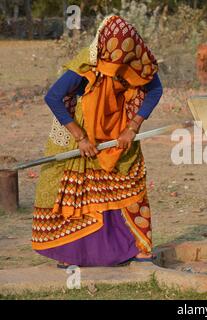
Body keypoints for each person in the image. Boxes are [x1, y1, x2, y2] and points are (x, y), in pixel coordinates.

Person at [31, 15, 163, 268]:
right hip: (81, 131)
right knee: (83, 193)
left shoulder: (139, 60)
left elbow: (154, 90)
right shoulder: (85, 63)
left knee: (128, 184)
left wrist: (133, 127)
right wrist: (80, 137)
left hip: (121, 130)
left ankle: (135, 248)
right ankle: (75, 255)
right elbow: (54, 97)